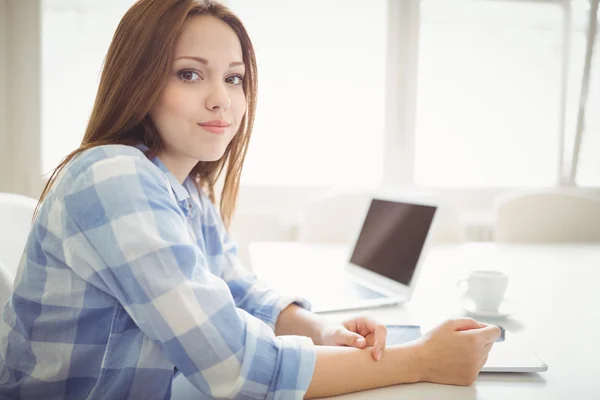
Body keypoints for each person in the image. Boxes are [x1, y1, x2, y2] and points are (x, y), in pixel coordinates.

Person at [0, 0, 501, 398]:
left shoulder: (184, 188)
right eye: (190, 74)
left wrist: (322, 332)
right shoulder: (113, 177)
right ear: (139, 81)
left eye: (234, 78)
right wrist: (419, 360)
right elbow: (233, 368)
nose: (222, 99)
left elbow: (236, 290)